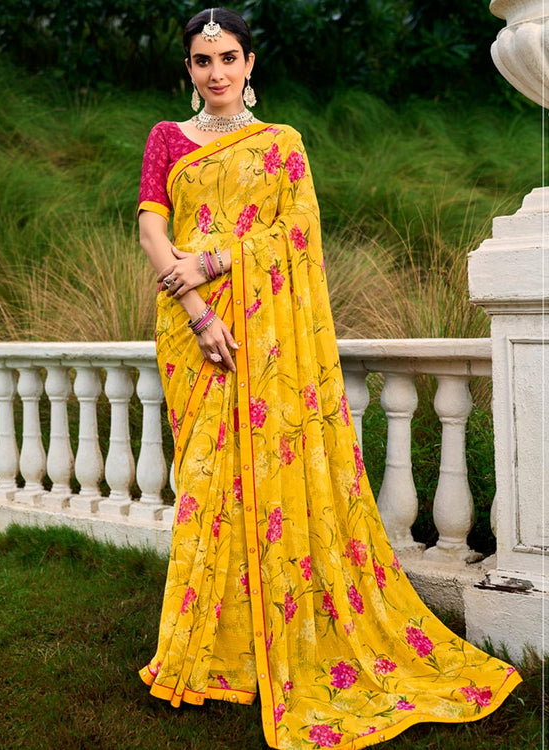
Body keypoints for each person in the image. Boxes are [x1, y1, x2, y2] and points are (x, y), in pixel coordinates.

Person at [136, 8, 521, 749]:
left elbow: (297, 232)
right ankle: (210, 653)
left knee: (266, 479)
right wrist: (197, 308)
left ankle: (269, 643)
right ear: (188, 70)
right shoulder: (167, 139)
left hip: (266, 331)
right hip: (193, 330)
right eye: (202, 61)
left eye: (228, 57)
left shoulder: (281, 143)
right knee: (208, 485)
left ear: (250, 63)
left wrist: (216, 259)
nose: (216, 72)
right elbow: (154, 228)